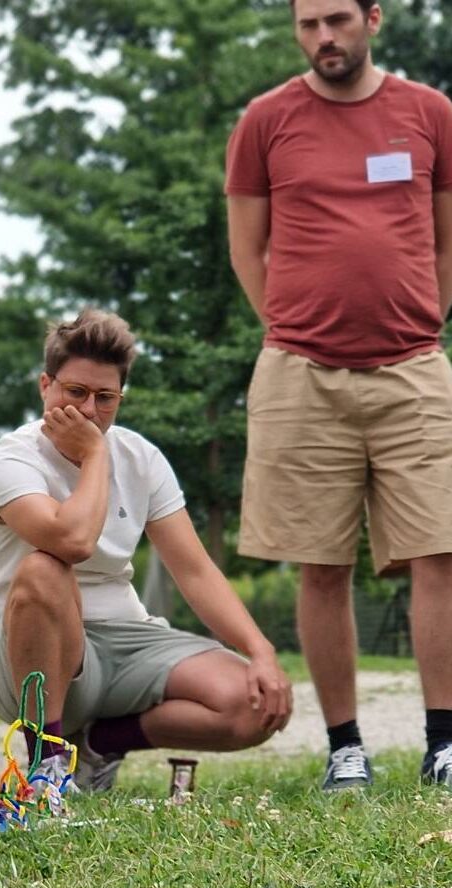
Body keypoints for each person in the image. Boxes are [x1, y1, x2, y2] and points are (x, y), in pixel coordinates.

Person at [226, 0, 452, 792]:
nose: (324, 37)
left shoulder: (430, 114)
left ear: (373, 19)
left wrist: (420, 315)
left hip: (414, 369)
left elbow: (444, 235)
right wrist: (296, 325)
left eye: (337, 20)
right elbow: (246, 246)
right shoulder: (265, 121)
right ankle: (346, 747)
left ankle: (444, 743)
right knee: (321, 564)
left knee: (442, 551)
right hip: (300, 374)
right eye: (308, 24)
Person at [0, 309, 293, 791]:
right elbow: (74, 542)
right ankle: (47, 767)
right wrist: (96, 454)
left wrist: (261, 651)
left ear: (121, 397)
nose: (88, 410)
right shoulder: (13, 458)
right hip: (32, 652)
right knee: (44, 569)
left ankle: (99, 744)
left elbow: (195, 571)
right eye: (75, 392)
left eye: (105, 398)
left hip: (125, 639)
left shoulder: (141, 457)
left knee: (253, 705)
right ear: (45, 386)